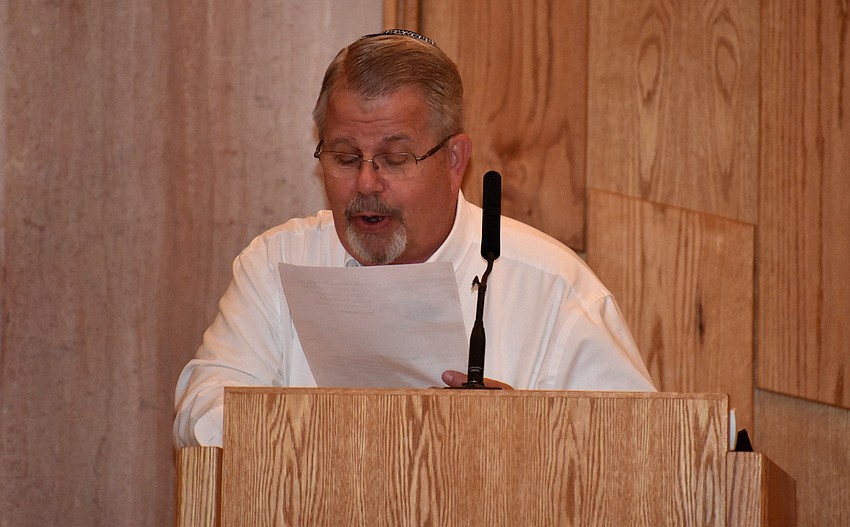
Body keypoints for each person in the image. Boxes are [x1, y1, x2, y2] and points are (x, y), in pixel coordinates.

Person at [173, 29, 655, 448]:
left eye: (396, 158)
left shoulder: (555, 290)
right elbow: (201, 412)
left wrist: (524, 436)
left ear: (454, 161)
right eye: (344, 157)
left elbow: (638, 450)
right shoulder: (276, 264)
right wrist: (350, 431)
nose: (365, 183)